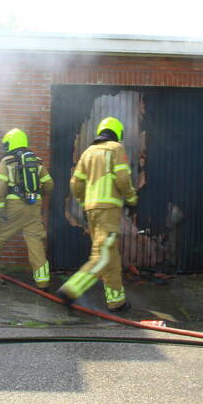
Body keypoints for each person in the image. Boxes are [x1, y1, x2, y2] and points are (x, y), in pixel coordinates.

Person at [56, 116, 138, 313]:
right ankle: (71, 289)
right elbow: (123, 178)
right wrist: (132, 199)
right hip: (108, 211)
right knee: (101, 256)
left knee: (111, 256)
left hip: (92, 211)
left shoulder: (87, 153)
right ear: (117, 133)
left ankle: (116, 301)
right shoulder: (116, 149)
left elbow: (75, 183)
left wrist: (85, 202)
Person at [0, 128, 55, 290]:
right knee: (35, 243)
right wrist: (38, 196)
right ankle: (43, 281)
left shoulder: (7, 161)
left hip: (13, 207)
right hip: (33, 209)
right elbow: (49, 184)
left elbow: (0, 185)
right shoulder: (37, 162)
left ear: (11, 143)